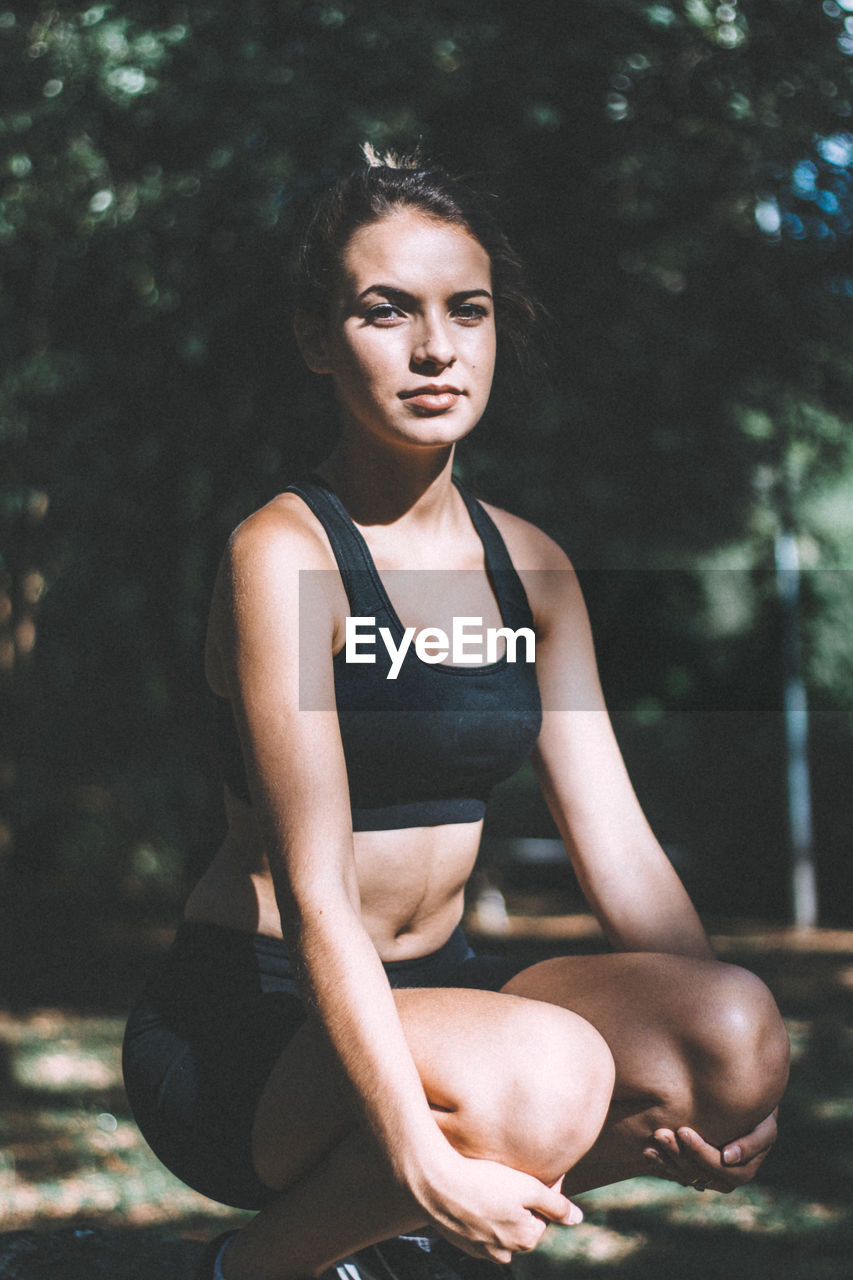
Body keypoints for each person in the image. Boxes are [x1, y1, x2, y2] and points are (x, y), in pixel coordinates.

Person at [122, 148, 790, 1280]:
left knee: (733, 1032)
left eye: (464, 311)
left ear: (493, 329)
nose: (435, 347)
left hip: (449, 991)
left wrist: (723, 1076)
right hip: (262, 1022)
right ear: (315, 338)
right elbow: (316, 889)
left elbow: (616, 841)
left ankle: (387, 1234)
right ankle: (256, 1264)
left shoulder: (530, 566)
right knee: (539, 1075)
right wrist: (411, 1150)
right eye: (387, 311)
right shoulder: (284, 553)